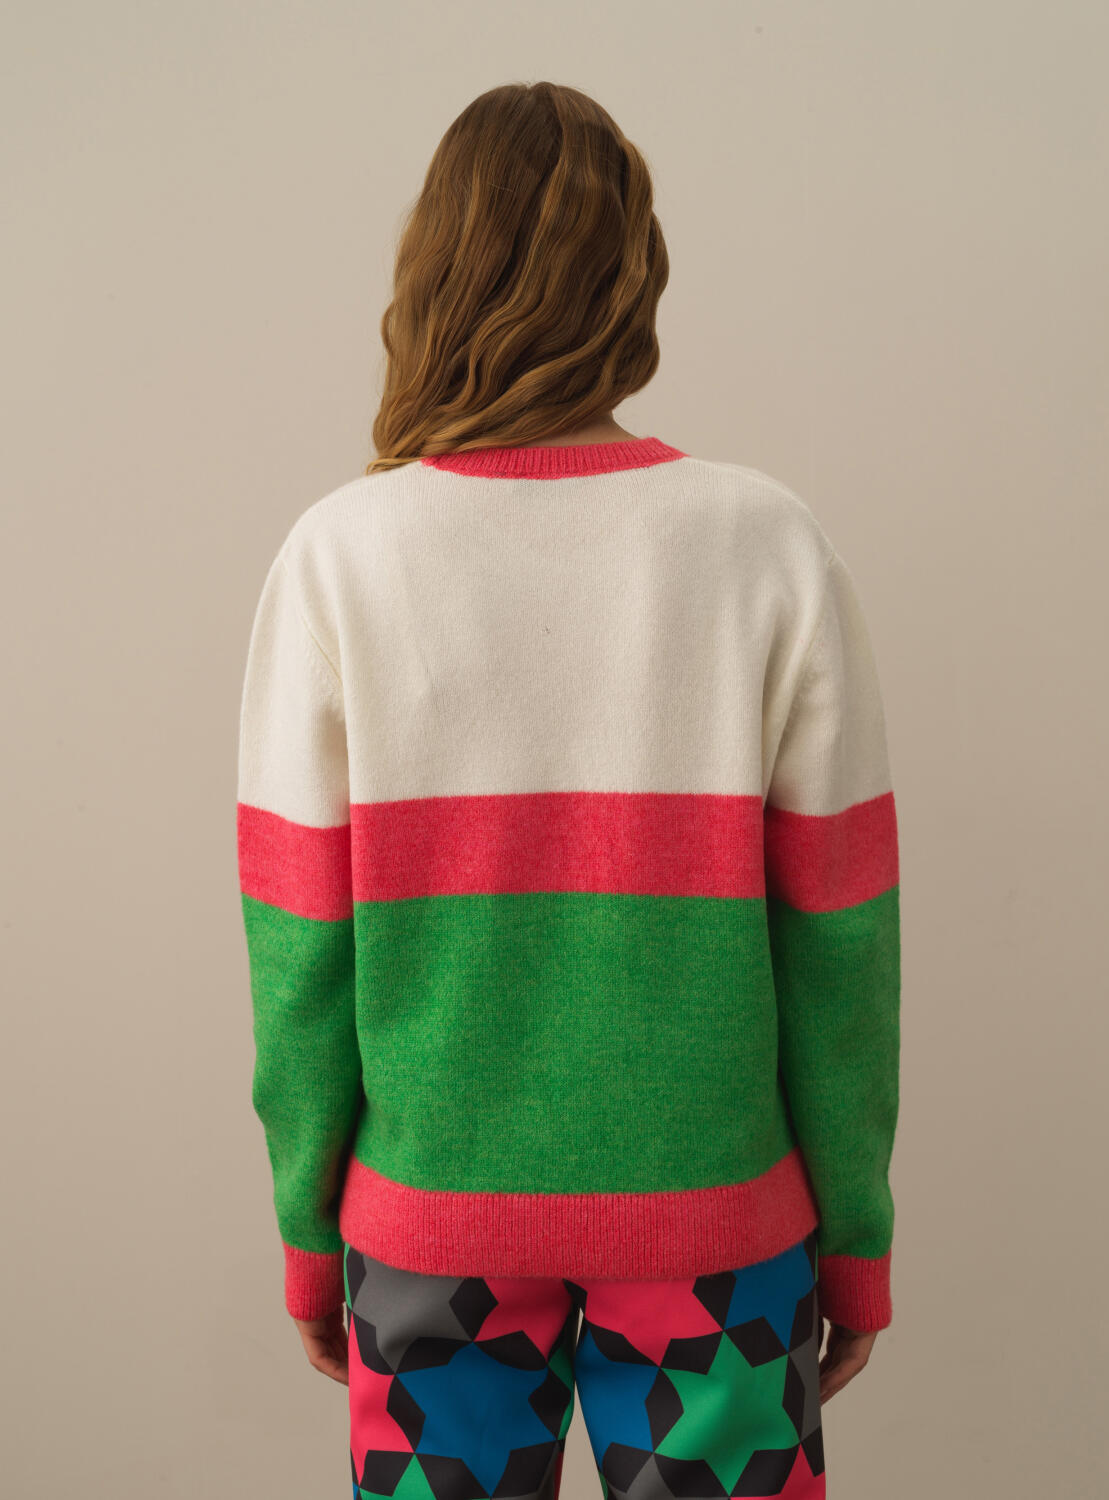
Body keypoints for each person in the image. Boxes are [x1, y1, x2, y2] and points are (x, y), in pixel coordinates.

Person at [236, 80, 900, 1499]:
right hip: (719, 1235)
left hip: (430, 1239)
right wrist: (852, 1236)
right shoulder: (765, 544)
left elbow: (299, 957)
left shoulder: (340, 557)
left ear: (431, 273)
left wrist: (306, 1236)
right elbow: (841, 945)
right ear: (635, 280)